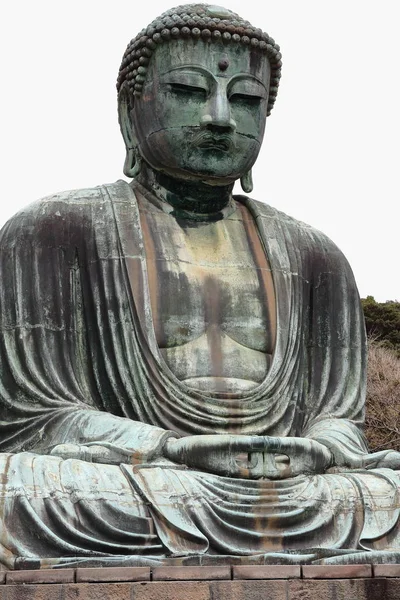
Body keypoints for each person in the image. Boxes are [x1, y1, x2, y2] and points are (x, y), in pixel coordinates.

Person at [0, 4, 400, 569]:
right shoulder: (52, 231)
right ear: (128, 113)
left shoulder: (315, 254)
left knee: (386, 496)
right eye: (189, 90)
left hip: (293, 489)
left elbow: (338, 416)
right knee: (19, 489)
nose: (219, 117)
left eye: (244, 100)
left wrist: (322, 449)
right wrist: (165, 446)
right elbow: (37, 416)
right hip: (136, 478)